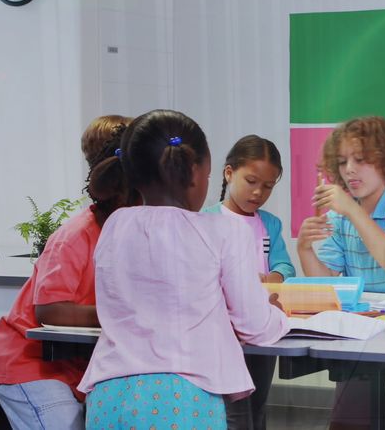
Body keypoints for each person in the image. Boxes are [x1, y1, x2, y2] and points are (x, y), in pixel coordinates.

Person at [78, 109, 289, 430]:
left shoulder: (114, 225)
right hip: (183, 400)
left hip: (107, 397)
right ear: (197, 174)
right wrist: (275, 314)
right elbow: (255, 326)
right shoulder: (224, 231)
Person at [0, 115, 137, 430]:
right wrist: (121, 313)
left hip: (78, 367)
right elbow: (49, 310)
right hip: (30, 364)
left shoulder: (133, 234)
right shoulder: (76, 235)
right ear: (123, 193)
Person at [295, 115, 385, 429]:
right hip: (362, 327)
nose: (349, 169)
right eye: (342, 162)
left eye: (361, 159)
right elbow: (326, 285)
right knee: (348, 421)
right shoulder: (341, 219)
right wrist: (304, 249)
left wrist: (353, 211)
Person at [203, 134, 295, 430]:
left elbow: (284, 265)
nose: (258, 193)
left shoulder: (269, 224)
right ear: (229, 173)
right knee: (233, 407)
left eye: (267, 186)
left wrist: (273, 278)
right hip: (224, 330)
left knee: (258, 403)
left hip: (263, 323)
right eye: (251, 181)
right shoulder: (206, 220)